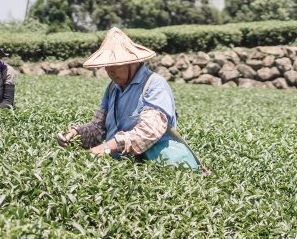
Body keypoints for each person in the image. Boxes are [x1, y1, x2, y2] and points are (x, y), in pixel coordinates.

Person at [56, 27, 205, 171]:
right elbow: (98, 128)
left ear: (132, 62)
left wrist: (106, 148)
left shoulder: (154, 84)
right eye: (107, 66)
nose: (110, 71)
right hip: (123, 168)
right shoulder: (112, 88)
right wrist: (76, 135)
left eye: (115, 65)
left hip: (158, 166)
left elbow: (148, 132)